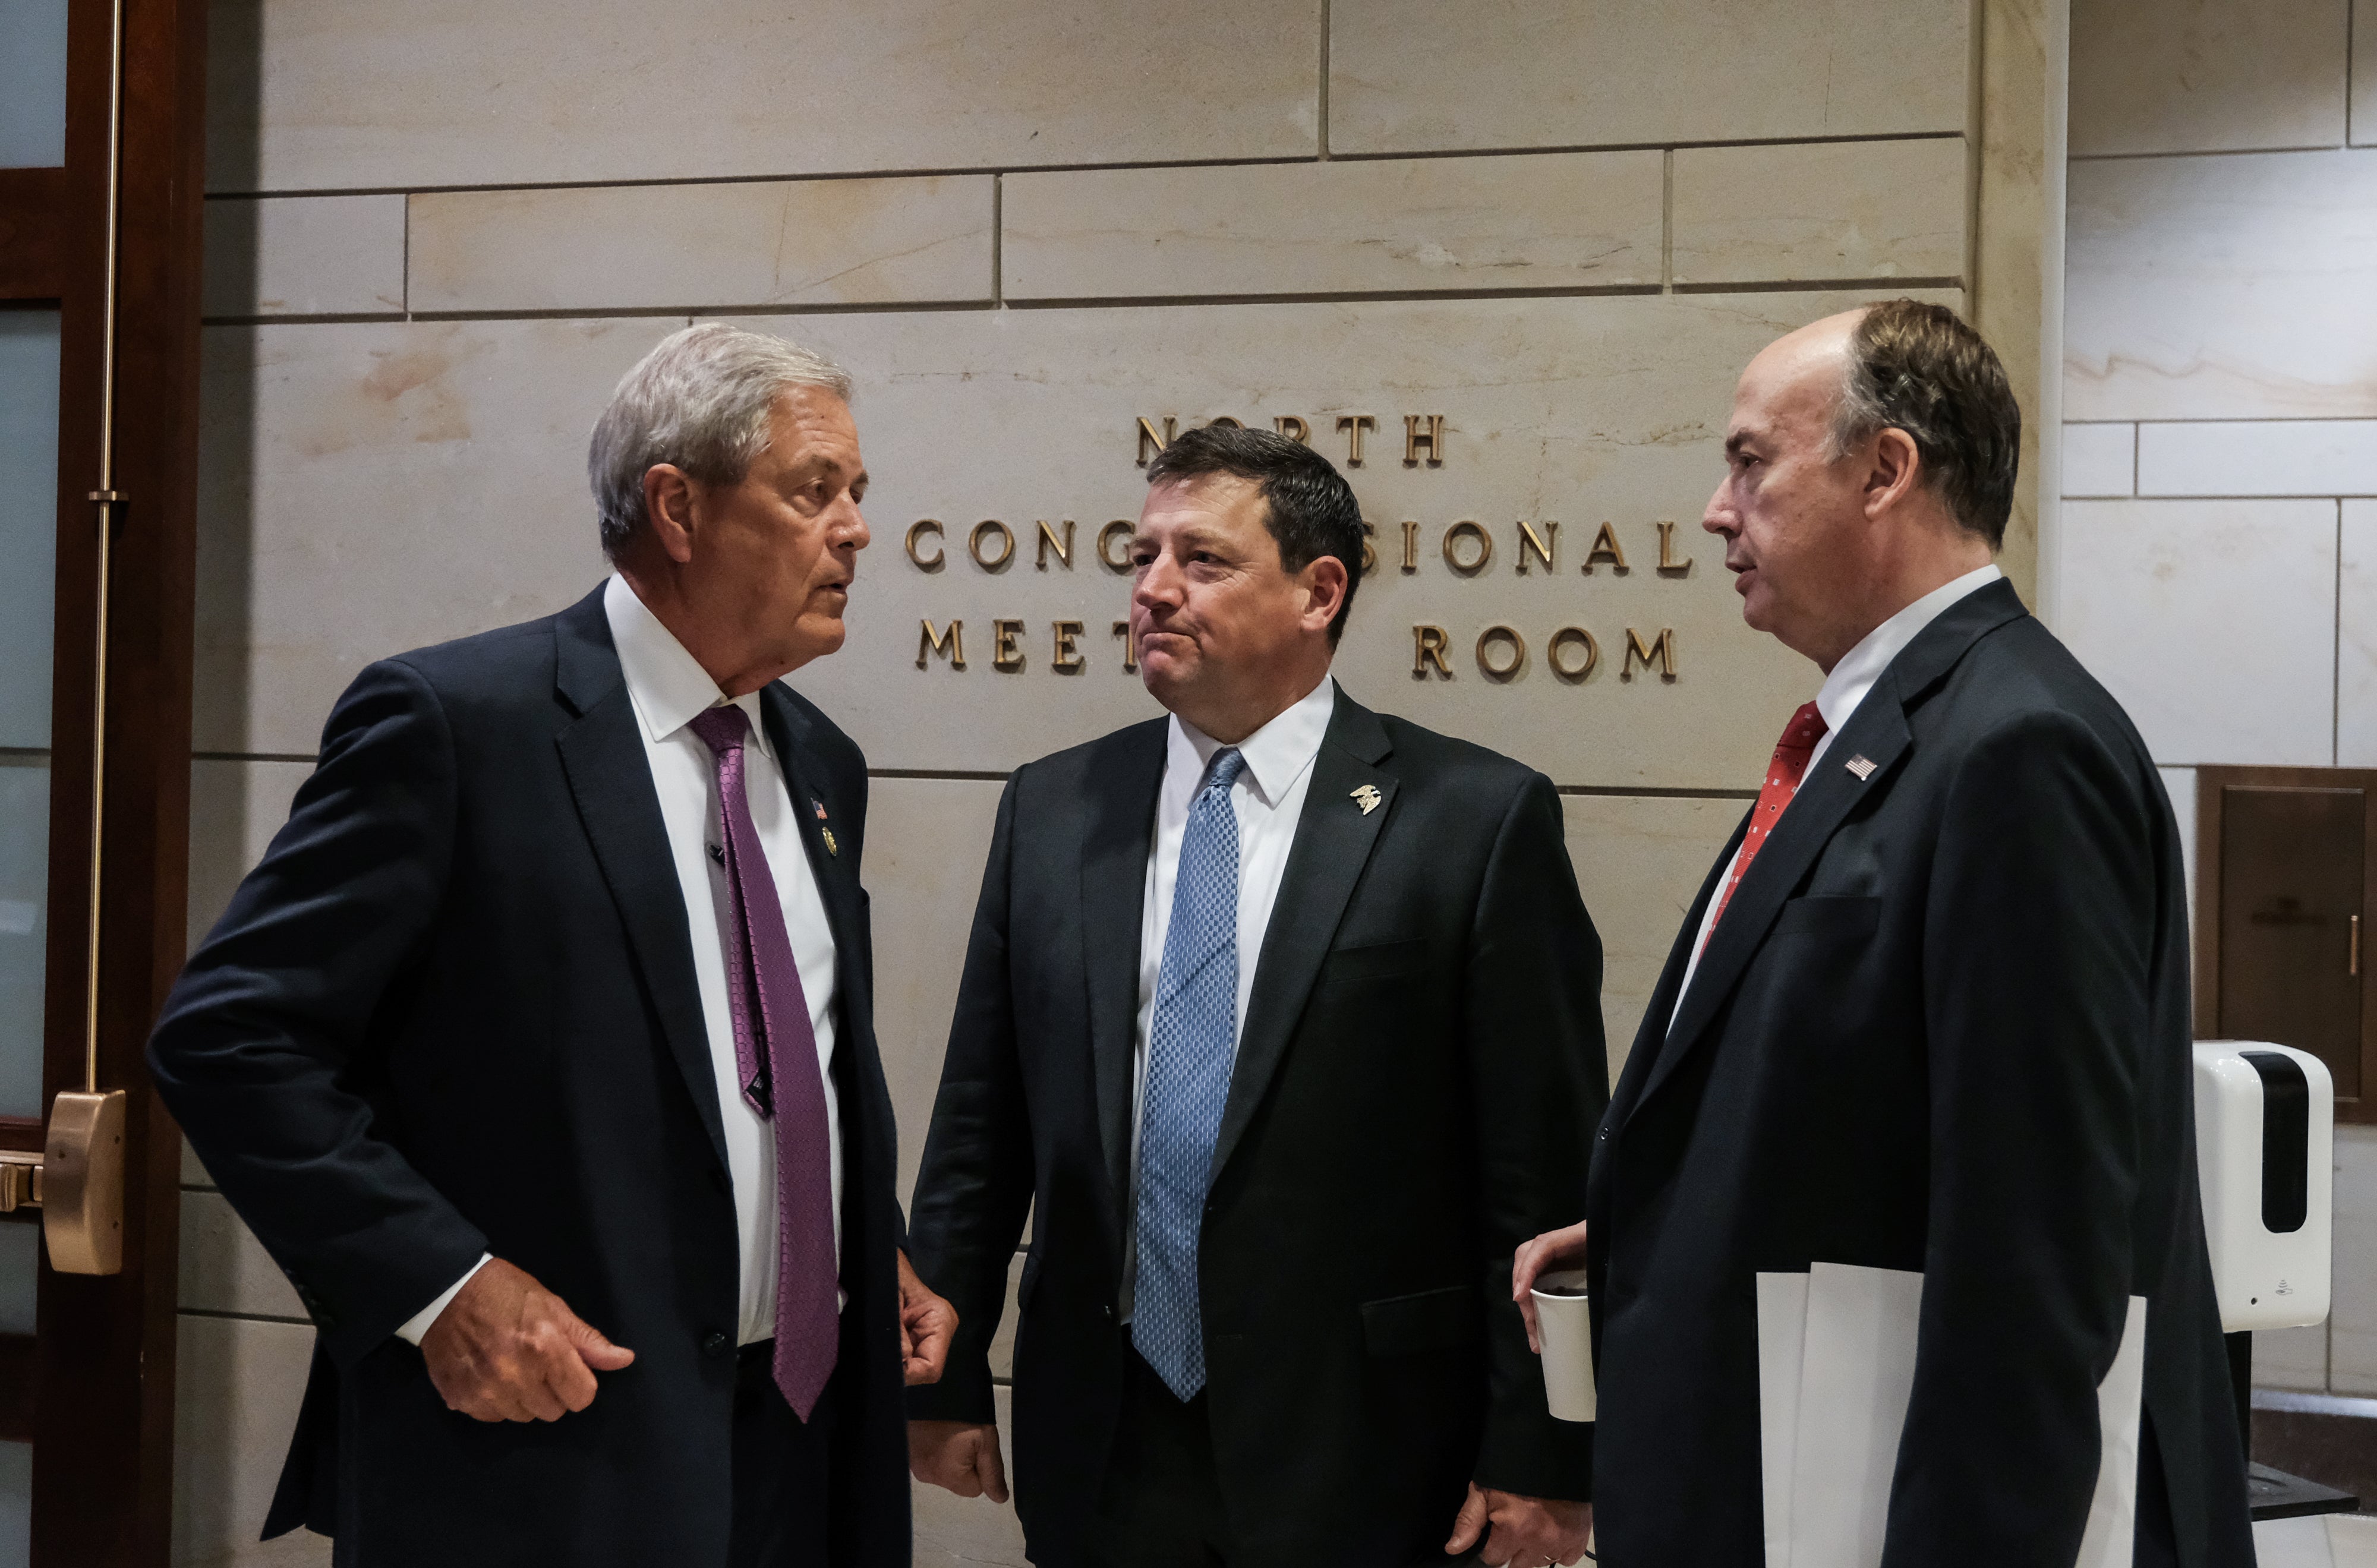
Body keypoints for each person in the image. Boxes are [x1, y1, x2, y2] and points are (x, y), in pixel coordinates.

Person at [148, 323, 954, 1567]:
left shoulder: (820, 762)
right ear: (677, 507)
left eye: (856, 494)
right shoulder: (458, 726)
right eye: (812, 492)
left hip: (803, 1451)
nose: (854, 529)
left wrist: (862, 1232)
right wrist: (440, 1285)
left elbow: (778, 1059)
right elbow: (231, 1038)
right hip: (550, 1460)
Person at [1514, 300, 2254, 1566]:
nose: (1713, 507)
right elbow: (1860, 1089)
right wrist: (1667, 1221)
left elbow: (2030, 1252)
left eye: (1750, 460)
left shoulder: (2017, 746)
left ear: (1884, 469)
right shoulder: (1886, 727)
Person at [904, 424, 1607, 1568]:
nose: (1153, 590)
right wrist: (938, 1376)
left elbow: (1542, 1175)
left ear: (1319, 591)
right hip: (1106, 1434)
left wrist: (1546, 1450)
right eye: (1141, 557)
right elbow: (983, 1126)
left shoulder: (1473, 822)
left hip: (1370, 1452)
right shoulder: (1053, 809)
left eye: (1204, 560)